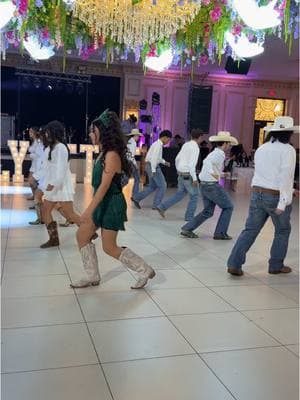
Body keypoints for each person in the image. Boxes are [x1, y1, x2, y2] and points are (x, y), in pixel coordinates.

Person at [70, 109, 156, 289]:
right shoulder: (103, 152)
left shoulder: (111, 155)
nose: (90, 133)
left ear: (103, 132)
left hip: (111, 205)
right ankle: (93, 276)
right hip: (102, 203)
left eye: (93, 130)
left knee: (109, 247)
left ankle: (144, 269)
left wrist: (87, 212)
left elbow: (103, 188)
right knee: (82, 235)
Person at [227, 116, 298, 276]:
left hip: (257, 193)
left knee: (250, 230)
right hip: (275, 196)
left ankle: (234, 263)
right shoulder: (288, 150)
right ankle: (276, 265)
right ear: (288, 133)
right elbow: (285, 176)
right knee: (282, 230)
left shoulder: (262, 148)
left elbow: (264, 173)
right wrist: (283, 202)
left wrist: (290, 190)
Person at [180, 131, 238, 239]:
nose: (230, 146)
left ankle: (187, 228)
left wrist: (219, 174)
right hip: (212, 186)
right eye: (229, 143)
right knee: (228, 207)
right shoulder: (220, 154)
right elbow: (208, 165)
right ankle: (220, 233)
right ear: (224, 143)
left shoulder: (215, 153)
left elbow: (209, 164)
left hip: (205, 185)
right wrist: (216, 175)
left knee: (208, 211)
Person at [40, 121, 82, 248]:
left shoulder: (61, 148)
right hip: (55, 185)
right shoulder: (54, 148)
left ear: (54, 132)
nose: (46, 134)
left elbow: (61, 169)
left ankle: (89, 231)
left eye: (48, 132)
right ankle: (54, 239)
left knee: (70, 215)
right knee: (45, 210)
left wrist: (53, 184)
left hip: (61, 186)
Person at [156, 129, 204, 221]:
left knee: (180, 194)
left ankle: (162, 207)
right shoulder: (195, 147)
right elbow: (191, 164)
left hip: (181, 174)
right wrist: (194, 178)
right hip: (188, 175)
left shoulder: (186, 144)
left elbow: (177, 158)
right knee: (194, 195)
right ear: (200, 137)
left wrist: (178, 169)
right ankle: (189, 217)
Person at [131, 130, 172, 210]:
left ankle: (136, 198)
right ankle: (156, 205)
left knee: (152, 186)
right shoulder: (158, 145)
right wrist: (153, 171)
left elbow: (157, 158)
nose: (168, 142)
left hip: (149, 165)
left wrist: (164, 162)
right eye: (168, 139)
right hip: (153, 166)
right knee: (163, 186)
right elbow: (154, 159)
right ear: (164, 137)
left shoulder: (157, 144)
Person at [126, 128, 143, 200]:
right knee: (137, 178)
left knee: (128, 178)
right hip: (131, 162)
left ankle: (134, 195)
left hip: (127, 161)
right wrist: (135, 165)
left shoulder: (129, 142)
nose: (138, 138)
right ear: (135, 135)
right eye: (138, 136)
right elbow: (131, 155)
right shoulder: (133, 143)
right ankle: (134, 195)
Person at [27, 126, 43, 202]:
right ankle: (35, 196)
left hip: (37, 164)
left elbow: (39, 154)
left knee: (32, 181)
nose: (29, 133)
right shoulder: (34, 141)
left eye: (31, 131)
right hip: (33, 164)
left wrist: (31, 155)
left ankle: (37, 198)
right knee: (31, 181)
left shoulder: (39, 141)